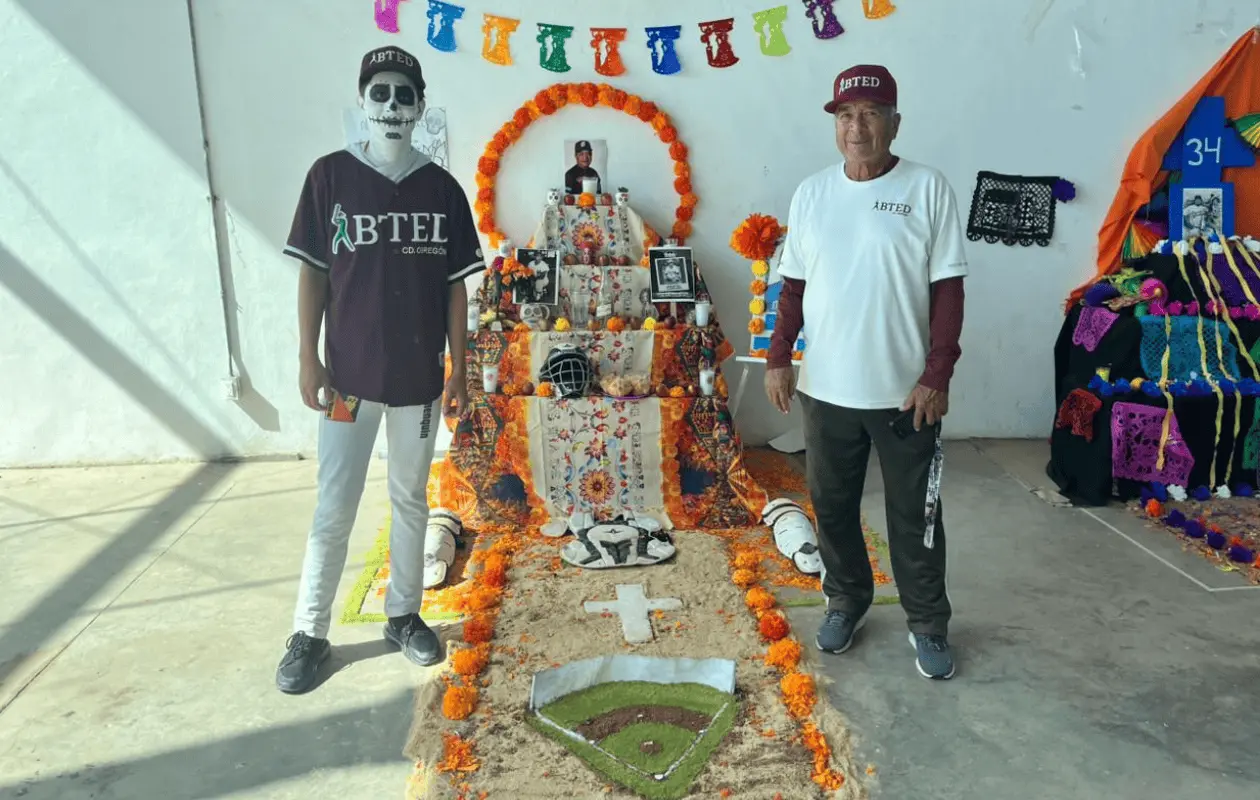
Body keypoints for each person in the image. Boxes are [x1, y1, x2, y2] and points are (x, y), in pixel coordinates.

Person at [276, 45, 483, 694]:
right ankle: (308, 633)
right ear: (363, 102)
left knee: (409, 499)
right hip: (346, 383)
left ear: (420, 107)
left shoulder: (442, 189)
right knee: (333, 506)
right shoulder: (330, 178)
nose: (392, 105)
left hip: (418, 384)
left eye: (404, 94)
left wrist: (459, 367)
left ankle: (403, 614)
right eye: (380, 93)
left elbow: (457, 288)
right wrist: (308, 356)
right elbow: (313, 272)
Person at [764, 64, 968, 680]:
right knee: (832, 506)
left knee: (917, 517)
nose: (858, 127)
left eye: (871, 114)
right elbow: (793, 288)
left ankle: (928, 623)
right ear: (835, 125)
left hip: (907, 396)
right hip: (826, 391)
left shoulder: (927, 188)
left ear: (894, 122)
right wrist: (779, 356)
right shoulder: (812, 193)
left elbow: (949, 292)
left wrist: (937, 374)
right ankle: (846, 600)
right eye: (846, 116)